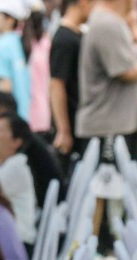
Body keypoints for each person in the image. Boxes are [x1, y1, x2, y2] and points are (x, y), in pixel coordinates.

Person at [76, 0, 137, 155]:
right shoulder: (107, 24)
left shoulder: (114, 22)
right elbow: (127, 72)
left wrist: (135, 25)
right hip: (107, 127)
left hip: (118, 125)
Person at [0, 113, 39, 247]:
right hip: (10, 240)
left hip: (18, 243)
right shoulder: (2, 164)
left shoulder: (16, 167)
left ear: (16, 142)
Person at [49, 0, 94, 156]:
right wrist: (63, 130)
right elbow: (56, 84)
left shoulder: (78, 34)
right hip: (72, 121)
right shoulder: (64, 38)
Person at [0, 0, 31, 119]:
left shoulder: (2, 46)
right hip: (30, 116)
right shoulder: (22, 41)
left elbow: (5, 88)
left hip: (14, 120)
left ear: (10, 19)